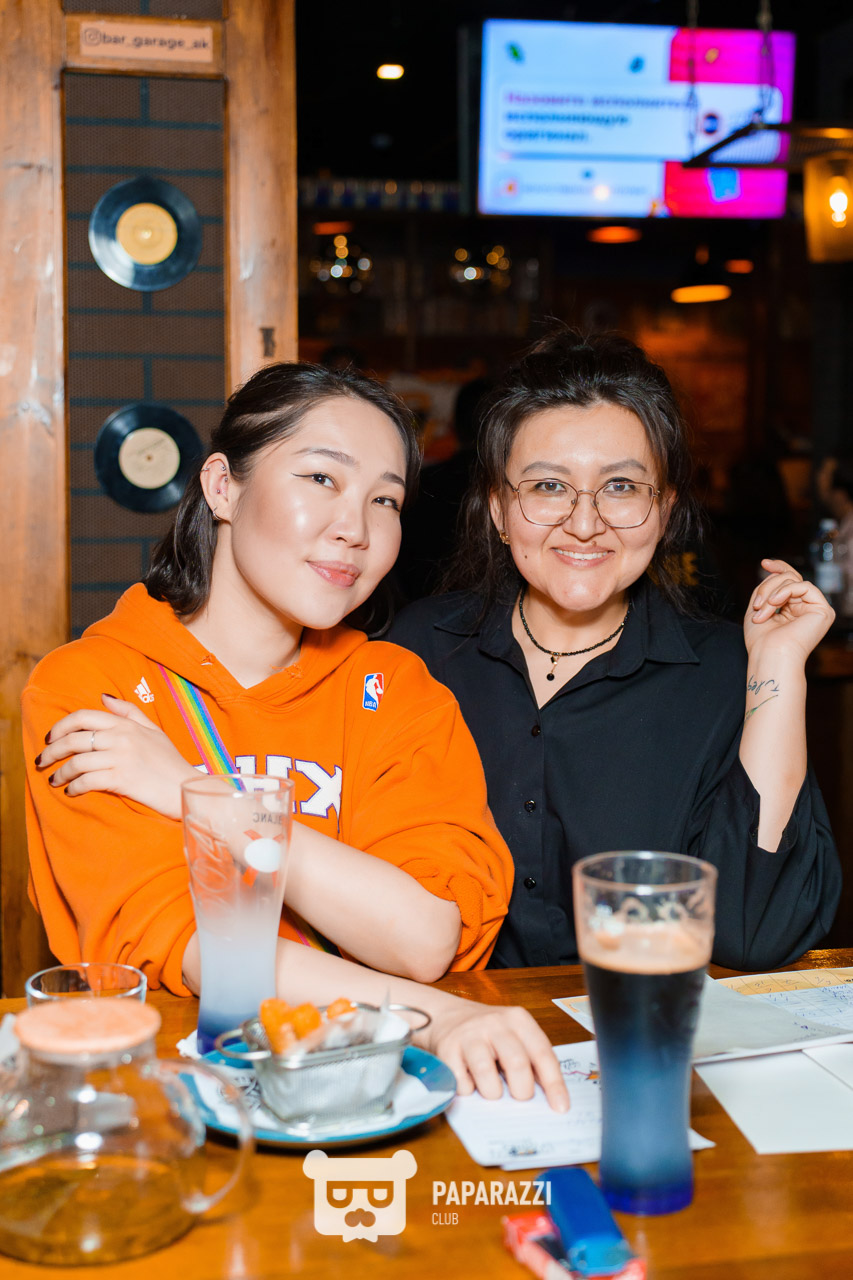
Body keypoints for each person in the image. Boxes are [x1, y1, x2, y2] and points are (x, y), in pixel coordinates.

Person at [24, 361, 568, 1109]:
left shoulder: (395, 689)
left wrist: (199, 795)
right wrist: (438, 1017)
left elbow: (422, 937)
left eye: (385, 499)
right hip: (179, 1106)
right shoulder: (93, 687)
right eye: (320, 478)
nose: (356, 529)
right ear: (223, 487)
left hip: (374, 1094)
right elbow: (197, 951)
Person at [390, 329, 841, 971]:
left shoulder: (725, 673)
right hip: (458, 1027)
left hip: (642, 1022)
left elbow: (754, 931)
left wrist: (777, 667)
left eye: (622, 487)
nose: (584, 523)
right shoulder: (418, 652)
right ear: (498, 508)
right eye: (548, 486)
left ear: (665, 510)